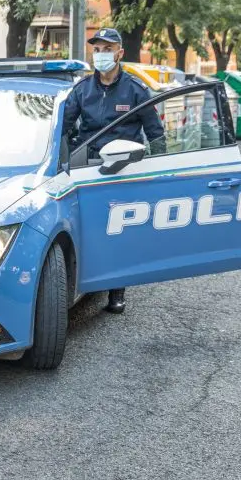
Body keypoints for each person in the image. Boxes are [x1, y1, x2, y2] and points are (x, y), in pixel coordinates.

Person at [62, 28, 164, 314]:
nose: (101, 54)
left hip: (123, 168)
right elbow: (64, 128)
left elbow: (155, 133)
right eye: (97, 49)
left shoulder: (135, 89)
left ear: (120, 53)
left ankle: (116, 291)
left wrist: (162, 169)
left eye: (108, 49)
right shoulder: (82, 90)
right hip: (88, 167)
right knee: (90, 229)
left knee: (119, 230)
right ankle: (87, 281)